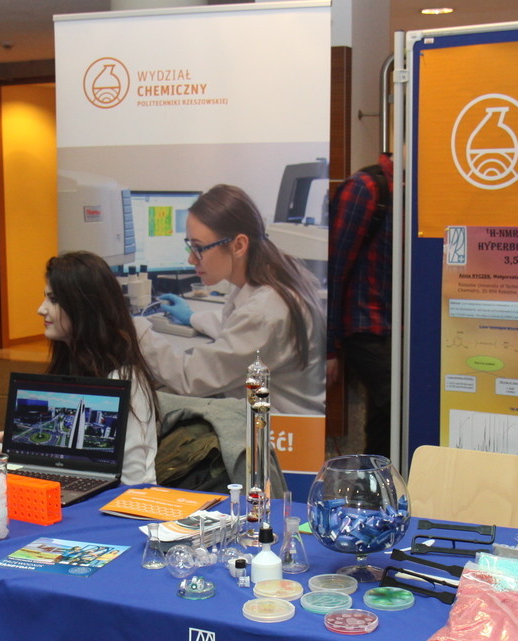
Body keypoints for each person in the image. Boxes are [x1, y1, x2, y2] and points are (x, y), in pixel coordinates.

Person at [141, 183, 325, 415]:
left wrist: (138, 333)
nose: (191, 259)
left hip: (281, 428)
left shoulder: (265, 311)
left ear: (238, 245)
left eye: (199, 248)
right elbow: (236, 325)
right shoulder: (270, 278)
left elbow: (190, 378)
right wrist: (192, 318)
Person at [37, 250, 161, 485]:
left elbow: (136, 480)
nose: (41, 309)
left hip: (117, 500)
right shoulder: (70, 365)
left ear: (83, 306)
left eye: (53, 300)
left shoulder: (123, 379)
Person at [326, 152, 394, 457]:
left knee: (385, 424)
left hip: (399, 330)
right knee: (402, 406)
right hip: (366, 325)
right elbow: (334, 268)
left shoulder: (416, 190)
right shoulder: (365, 188)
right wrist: (328, 348)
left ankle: (372, 482)